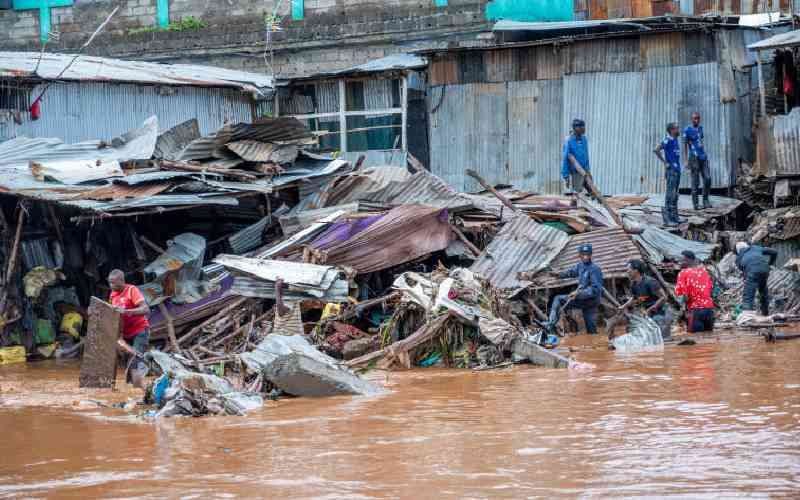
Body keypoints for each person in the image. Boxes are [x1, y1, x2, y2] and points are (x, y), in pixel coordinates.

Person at [546, 244, 604, 335]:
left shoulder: (595, 269)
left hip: (591, 302)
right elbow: (571, 272)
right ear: (579, 255)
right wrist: (558, 275)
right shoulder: (580, 266)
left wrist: (578, 293)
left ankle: (550, 324)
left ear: (591, 255)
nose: (585, 257)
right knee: (558, 299)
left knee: (591, 327)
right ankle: (551, 324)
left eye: (587, 254)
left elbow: (595, 290)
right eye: (583, 254)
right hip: (582, 298)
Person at [108, 269, 150, 388]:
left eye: (114, 283)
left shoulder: (132, 290)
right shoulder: (112, 295)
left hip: (139, 331)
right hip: (125, 335)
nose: (111, 286)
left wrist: (127, 311)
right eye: (110, 283)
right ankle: (135, 390)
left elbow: (145, 309)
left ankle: (141, 391)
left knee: (134, 363)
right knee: (129, 365)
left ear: (122, 281)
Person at [622, 259, 672, 340]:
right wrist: (623, 306)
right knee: (632, 329)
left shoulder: (650, 282)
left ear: (636, 270)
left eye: (629, 269)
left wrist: (652, 308)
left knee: (661, 339)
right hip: (649, 313)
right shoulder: (633, 284)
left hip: (661, 313)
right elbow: (634, 298)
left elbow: (664, 297)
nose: (627, 271)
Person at [674, 250, 715, 333]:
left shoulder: (683, 273)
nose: (679, 262)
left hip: (696, 311)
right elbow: (710, 290)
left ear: (688, 260)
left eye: (682, 260)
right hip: (709, 310)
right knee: (709, 339)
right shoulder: (704, 272)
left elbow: (684, 297)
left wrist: (683, 312)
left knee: (695, 341)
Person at [654, 122, 684, 227]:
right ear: (672, 130)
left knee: (675, 195)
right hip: (671, 171)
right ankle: (667, 220)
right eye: (677, 128)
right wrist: (665, 162)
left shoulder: (675, 140)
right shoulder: (668, 140)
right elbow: (656, 149)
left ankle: (675, 217)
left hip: (677, 170)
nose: (678, 129)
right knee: (670, 194)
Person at [735, 241, 778, 316]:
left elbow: (743, 269)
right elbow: (774, 252)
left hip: (752, 271)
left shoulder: (738, 257)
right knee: (763, 291)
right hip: (765, 270)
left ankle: (747, 316)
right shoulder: (756, 247)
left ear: (738, 250)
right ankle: (765, 313)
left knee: (748, 294)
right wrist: (770, 264)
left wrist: (746, 277)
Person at [683, 112, 712, 210]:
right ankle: (695, 204)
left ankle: (705, 200)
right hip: (694, 158)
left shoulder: (700, 129)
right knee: (695, 182)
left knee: (707, 178)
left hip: (703, 157)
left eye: (698, 118)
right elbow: (685, 145)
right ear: (691, 119)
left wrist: (703, 150)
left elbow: (700, 140)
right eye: (695, 118)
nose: (697, 120)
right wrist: (686, 160)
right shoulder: (687, 130)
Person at [562, 118, 590, 195]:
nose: (584, 129)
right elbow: (565, 158)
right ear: (575, 128)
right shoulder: (569, 140)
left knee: (591, 190)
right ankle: (575, 205)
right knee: (577, 192)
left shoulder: (584, 139)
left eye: (584, 126)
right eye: (581, 127)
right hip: (576, 171)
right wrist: (565, 175)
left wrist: (588, 169)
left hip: (585, 170)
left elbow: (586, 155)